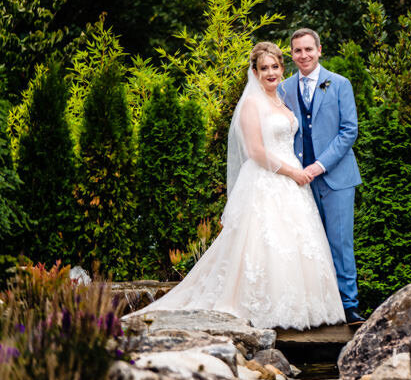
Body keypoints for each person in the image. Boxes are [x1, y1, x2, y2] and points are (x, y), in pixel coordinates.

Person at [136, 42, 345, 329]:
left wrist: (298, 173)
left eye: (275, 67)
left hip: (292, 185)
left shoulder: (282, 101)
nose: (271, 73)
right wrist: (292, 173)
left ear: (282, 68)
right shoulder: (251, 104)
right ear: (255, 72)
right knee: (263, 243)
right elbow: (256, 152)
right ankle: (258, 306)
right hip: (267, 180)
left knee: (297, 245)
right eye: (264, 68)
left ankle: (303, 308)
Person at [280, 28, 365, 325]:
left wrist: (320, 165)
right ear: (291, 54)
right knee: (308, 245)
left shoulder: (340, 84)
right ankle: (319, 308)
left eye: (308, 49)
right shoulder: (284, 88)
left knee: (340, 243)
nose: (303, 55)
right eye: (297, 51)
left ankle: (349, 306)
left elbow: (349, 131)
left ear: (319, 50)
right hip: (298, 181)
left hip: (336, 177)